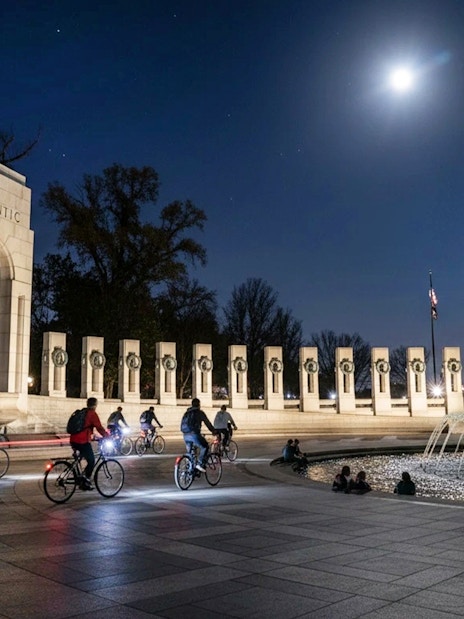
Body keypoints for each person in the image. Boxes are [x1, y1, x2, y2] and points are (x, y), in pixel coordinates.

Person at [69, 397, 108, 491]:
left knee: (82, 456)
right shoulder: (92, 414)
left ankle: (81, 478)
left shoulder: (83, 412)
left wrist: (93, 436)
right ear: (95, 405)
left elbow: (87, 428)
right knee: (91, 461)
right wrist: (107, 436)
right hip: (82, 441)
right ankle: (85, 480)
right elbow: (99, 427)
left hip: (73, 439)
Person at [180, 398, 216, 472]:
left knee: (190, 452)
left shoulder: (187, 413)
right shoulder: (200, 413)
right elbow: (208, 423)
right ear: (199, 404)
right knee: (205, 446)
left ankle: (189, 468)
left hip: (185, 435)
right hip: (194, 434)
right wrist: (214, 431)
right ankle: (200, 464)